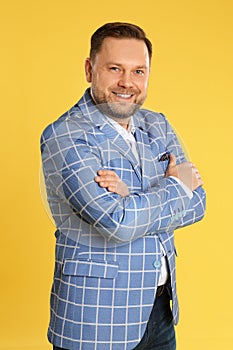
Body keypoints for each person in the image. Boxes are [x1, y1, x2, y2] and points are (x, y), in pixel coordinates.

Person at [40, 22, 206, 350]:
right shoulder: (65, 135)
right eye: (115, 68)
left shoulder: (157, 124)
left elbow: (199, 203)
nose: (127, 83)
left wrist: (132, 197)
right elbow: (117, 223)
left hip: (159, 311)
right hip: (95, 317)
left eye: (138, 71)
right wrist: (173, 186)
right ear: (90, 69)